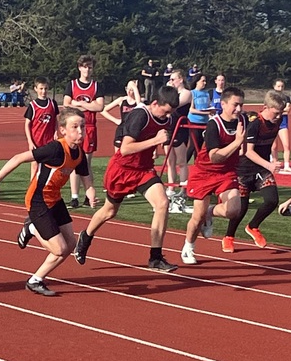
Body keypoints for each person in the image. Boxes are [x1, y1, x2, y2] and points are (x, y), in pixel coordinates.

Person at [0, 107, 95, 296]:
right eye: (75, 127)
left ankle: (35, 280)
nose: (80, 131)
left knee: (70, 246)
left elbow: (85, 176)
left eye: (82, 127)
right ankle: (31, 228)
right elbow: (18, 158)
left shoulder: (79, 153)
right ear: (63, 130)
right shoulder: (55, 149)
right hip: (38, 200)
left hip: (55, 199)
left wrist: (91, 191)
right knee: (59, 248)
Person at [74, 85, 180, 271]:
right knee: (109, 211)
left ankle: (155, 258)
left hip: (144, 170)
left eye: (170, 113)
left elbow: (157, 135)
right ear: (155, 103)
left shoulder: (167, 119)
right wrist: (155, 141)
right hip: (122, 169)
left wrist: (155, 149)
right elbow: (125, 148)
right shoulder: (139, 115)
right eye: (165, 112)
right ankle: (86, 235)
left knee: (162, 203)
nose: (167, 116)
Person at [180, 87, 247, 265]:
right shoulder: (213, 125)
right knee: (197, 217)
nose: (239, 109)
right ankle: (189, 247)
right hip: (205, 172)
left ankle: (211, 213)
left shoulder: (243, 121)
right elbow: (215, 156)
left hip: (226, 172)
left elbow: (243, 149)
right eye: (235, 105)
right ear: (223, 104)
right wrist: (238, 142)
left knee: (233, 210)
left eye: (241, 105)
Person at [224, 90, 287, 251]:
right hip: (244, 169)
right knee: (241, 208)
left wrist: (271, 159)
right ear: (265, 107)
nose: (278, 116)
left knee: (272, 200)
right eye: (276, 113)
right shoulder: (254, 123)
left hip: (261, 169)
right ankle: (229, 236)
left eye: (281, 113)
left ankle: (253, 226)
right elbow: (248, 151)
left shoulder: (277, 121)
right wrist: (270, 165)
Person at [62, 54, 104, 207]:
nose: (87, 69)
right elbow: (66, 105)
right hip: (74, 127)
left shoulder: (96, 86)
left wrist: (78, 103)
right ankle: (74, 197)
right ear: (80, 68)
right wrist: (87, 104)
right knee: (74, 161)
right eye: (85, 66)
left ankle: (89, 196)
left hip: (89, 127)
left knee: (86, 162)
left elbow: (99, 106)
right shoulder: (72, 85)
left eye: (90, 67)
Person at [163, 68, 194, 214]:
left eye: (173, 79)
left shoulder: (186, 93)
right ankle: (170, 188)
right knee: (170, 162)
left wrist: (168, 93)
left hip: (179, 129)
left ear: (180, 79)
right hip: (169, 128)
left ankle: (183, 189)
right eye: (170, 79)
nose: (171, 82)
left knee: (181, 162)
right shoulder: (173, 93)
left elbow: (174, 105)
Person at [23, 76, 60, 179]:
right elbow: (27, 124)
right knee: (34, 166)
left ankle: (45, 188)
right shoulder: (32, 106)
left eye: (45, 89)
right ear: (36, 89)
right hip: (36, 141)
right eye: (41, 88)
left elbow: (55, 120)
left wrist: (56, 132)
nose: (43, 91)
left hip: (49, 141)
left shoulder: (52, 104)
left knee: (48, 166)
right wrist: (30, 142)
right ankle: (32, 189)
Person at [101, 79, 143, 149]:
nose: (129, 92)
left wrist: (135, 88)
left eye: (132, 89)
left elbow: (139, 106)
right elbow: (103, 110)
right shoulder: (121, 100)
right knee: (118, 153)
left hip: (134, 130)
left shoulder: (140, 101)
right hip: (122, 129)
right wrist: (115, 120)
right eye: (127, 89)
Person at [270, 79, 291, 173]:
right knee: (274, 146)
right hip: (273, 123)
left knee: (286, 145)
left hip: (283, 123)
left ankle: (287, 165)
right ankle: (275, 163)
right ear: (274, 87)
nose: (280, 88)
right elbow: (270, 110)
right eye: (278, 86)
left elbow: (287, 109)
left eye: (282, 86)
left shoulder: (286, 98)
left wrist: (278, 110)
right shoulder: (271, 98)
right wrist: (281, 111)